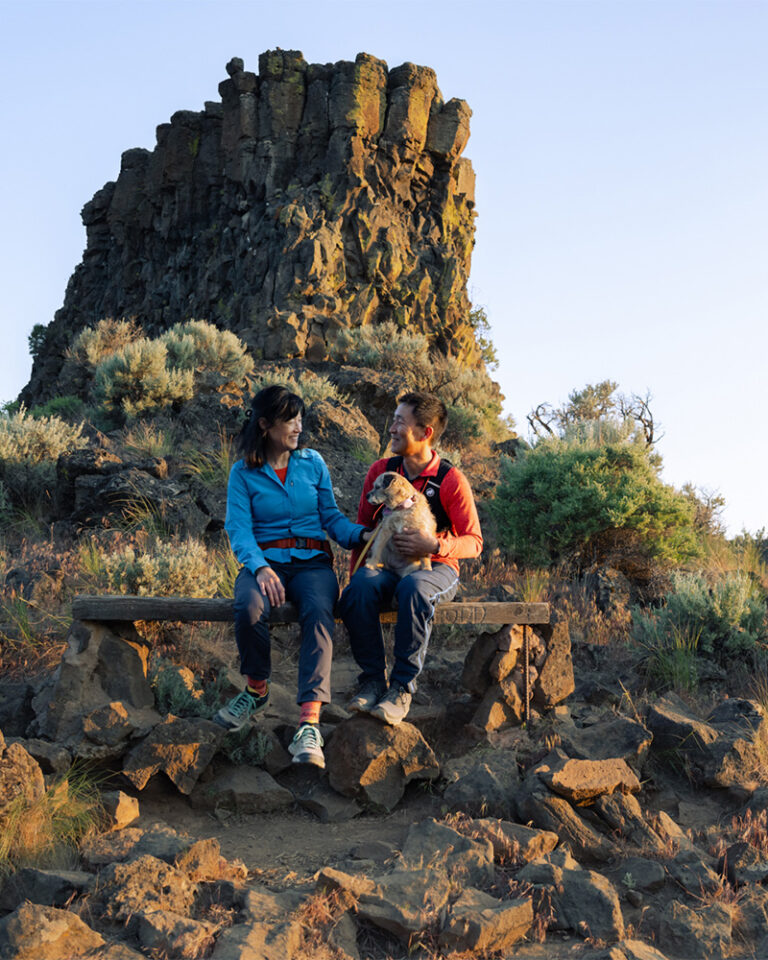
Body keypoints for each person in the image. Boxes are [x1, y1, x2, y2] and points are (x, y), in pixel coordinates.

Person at [215, 384, 368, 769]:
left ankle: (309, 722)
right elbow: (238, 528)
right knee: (248, 606)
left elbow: (330, 517)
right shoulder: (243, 472)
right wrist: (261, 567)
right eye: (290, 420)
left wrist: (360, 535)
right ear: (265, 425)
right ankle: (255, 690)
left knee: (318, 610)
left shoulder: (313, 463)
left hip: (313, 564)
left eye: (301, 418)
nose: (299, 427)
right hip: (264, 564)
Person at [338, 391, 483, 725]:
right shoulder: (381, 470)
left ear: (425, 432)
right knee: (359, 591)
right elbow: (364, 528)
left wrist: (432, 546)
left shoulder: (449, 480)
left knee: (414, 589)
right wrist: (356, 576)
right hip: (387, 564)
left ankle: (401, 688)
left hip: (435, 570)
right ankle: (373, 681)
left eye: (399, 422)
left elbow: (474, 542)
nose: (391, 428)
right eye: (393, 419)